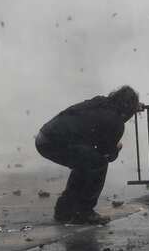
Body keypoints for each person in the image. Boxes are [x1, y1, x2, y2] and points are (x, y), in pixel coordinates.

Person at [35, 86, 143, 225]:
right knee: (98, 164)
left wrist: (133, 107)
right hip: (55, 142)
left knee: (85, 163)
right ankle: (85, 212)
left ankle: (64, 210)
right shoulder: (115, 121)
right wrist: (116, 148)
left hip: (44, 137)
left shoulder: (101, 102)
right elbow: (107, 154)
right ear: (128, 109)